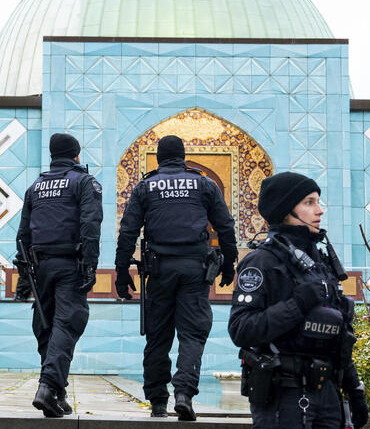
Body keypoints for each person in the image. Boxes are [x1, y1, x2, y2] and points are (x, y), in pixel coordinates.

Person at [228, 172, 368, 429]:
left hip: (327, 392)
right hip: (285, 394)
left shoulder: (319, 261)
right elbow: (242, 329)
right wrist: (297, 304)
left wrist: (354, 387)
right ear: (285, 210)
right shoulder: (262, 262)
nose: (319, 210)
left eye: (318, 201)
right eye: (309, 202)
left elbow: (340, 334)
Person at [114, 135, 238, 421]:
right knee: (192, 333)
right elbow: (225, 227)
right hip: (196, 270)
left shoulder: (145, 186)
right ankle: (184, 394)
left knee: (158, 335)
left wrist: (122, 272)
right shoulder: (204, 183)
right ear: (183, 158)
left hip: (159, 271)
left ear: (158, 158)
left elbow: (128, 231)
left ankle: (158, 401)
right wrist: (229, 265)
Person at [16, 132, 103, 418]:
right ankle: (47, 386)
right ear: (76, 155)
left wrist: (24, 278)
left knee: (45, 326)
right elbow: (91, 224)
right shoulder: (84, 182)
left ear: (53, 156)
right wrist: (90, 265)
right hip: (70, 264)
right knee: (67, 324)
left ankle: (57, 391)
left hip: (40, 266)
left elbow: (23, 237)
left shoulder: (35, 187)